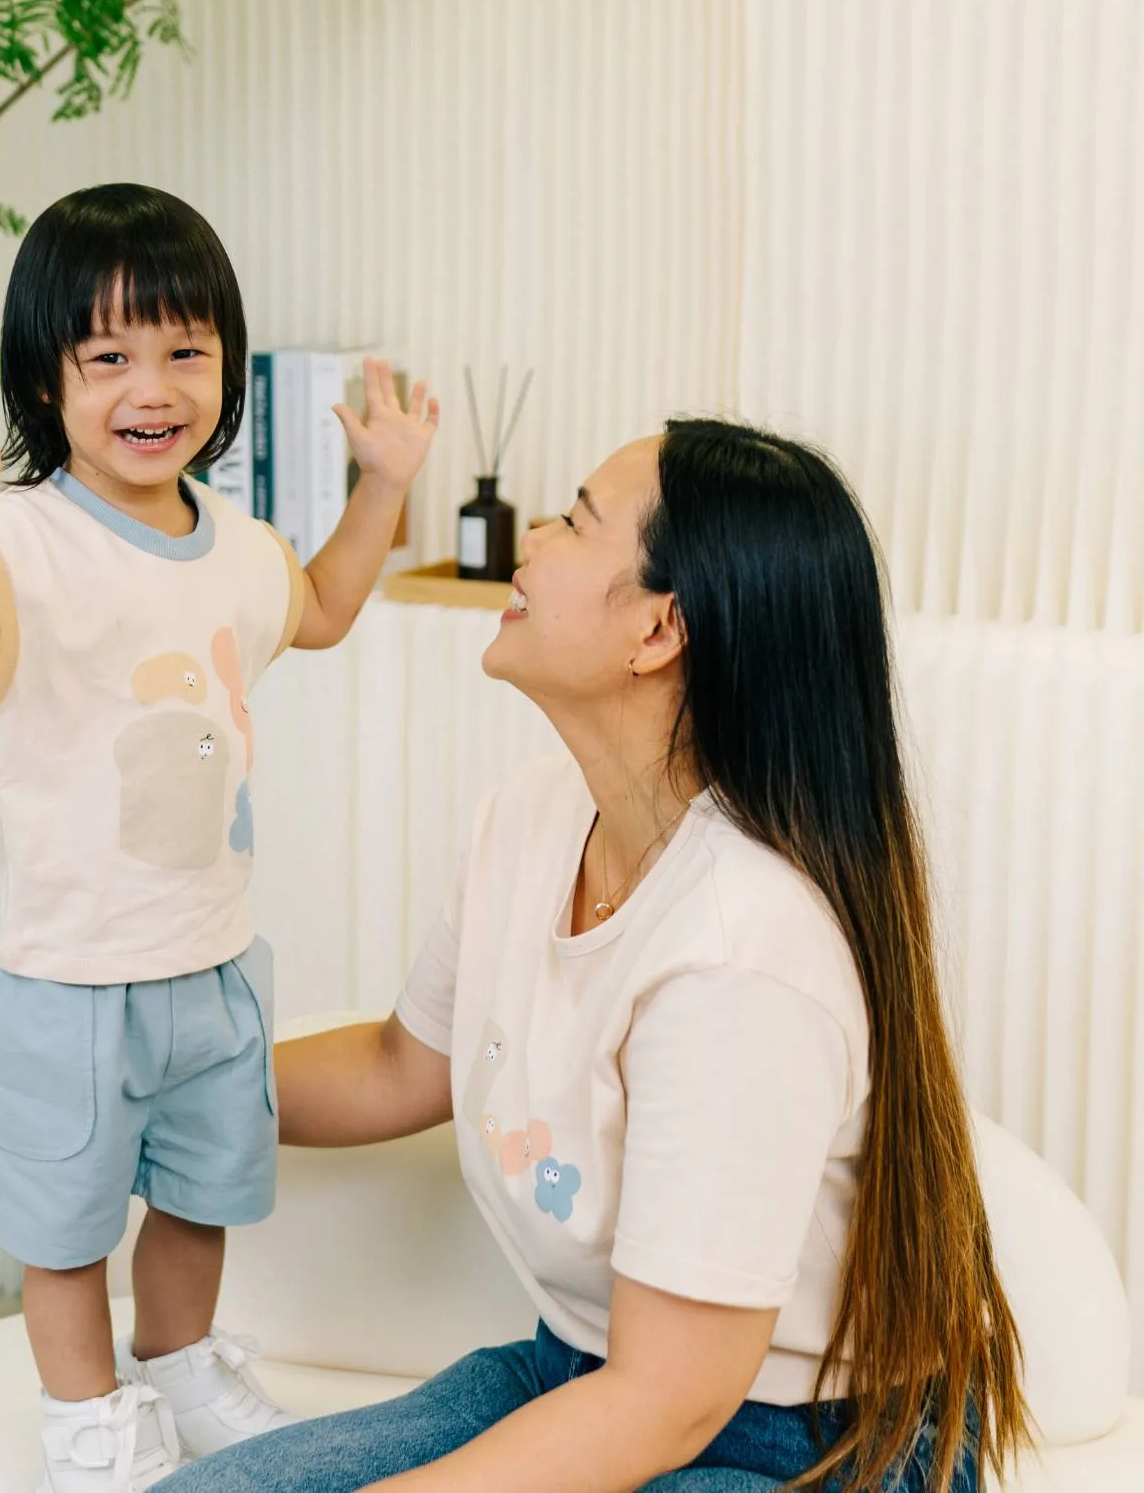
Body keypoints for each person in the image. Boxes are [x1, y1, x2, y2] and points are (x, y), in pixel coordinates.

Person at [168, 420, 1028, 1493]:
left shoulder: (741, 948)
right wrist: (164, 1089)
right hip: (576, 1375)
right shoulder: (525, 821)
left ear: (659, 627)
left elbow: (667, 1401)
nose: (531, 532)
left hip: (809, 1446)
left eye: (575, 518)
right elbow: (403, 1063)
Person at [0, 183, 439, 1492]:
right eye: (110, 357)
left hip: (209, 964)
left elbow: (317, 613)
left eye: (186, 350)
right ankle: (90, 1419)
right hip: (61, 981)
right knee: (67, 1234)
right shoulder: (19, 540)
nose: (155, 385)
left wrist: (381, 487)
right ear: (47, 383)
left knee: (201, 1201)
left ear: (227, 367)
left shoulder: (240, 544)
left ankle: (181, 1366)